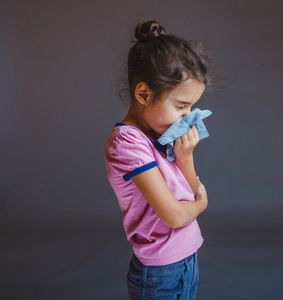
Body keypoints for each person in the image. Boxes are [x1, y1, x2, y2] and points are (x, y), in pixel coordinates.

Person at [104, 18, 211, 300]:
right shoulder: (127, 144)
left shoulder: (160, 134)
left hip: (187, 259)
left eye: (192, 106)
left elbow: (187, 191)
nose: (188, 117)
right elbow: (176, 214)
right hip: (161, 271)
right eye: (181, 106)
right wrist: (202, 204)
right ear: (143, 93)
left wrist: (184, 156)